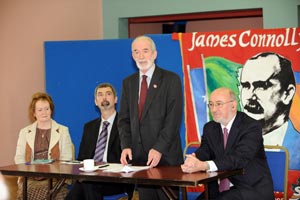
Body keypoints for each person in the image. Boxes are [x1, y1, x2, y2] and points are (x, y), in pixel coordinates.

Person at [118, 35, 184, 199]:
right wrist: (126, 145)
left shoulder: (171, 80)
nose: (141, 56)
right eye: (136, 52)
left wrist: (159, 148)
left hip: (167, 157)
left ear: (154, 54)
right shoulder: (128, 83)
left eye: (145, 51)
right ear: (132, 56)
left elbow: (173, 120)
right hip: (141, 160)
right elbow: (124, 120)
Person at [181, 87, 274, 200]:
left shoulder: (251, 126)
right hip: (218, 189)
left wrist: (204, 165)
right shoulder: (210, 127)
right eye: (211, 104)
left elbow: (239, 158)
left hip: (250, 189)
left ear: (233, 105)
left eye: (219, 104)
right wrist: (194, 158)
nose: (214, 109)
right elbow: (205, 150)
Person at [65, 83, 134, 200]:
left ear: (116, 99)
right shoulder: (89, 127)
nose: (104, 98)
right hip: (90, 179)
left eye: (108, 94)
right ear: (96, 102)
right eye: (100, 95)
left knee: (89, 184)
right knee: (74, 193)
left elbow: (130, 158)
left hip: (116, 180)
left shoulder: (127, 125)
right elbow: (81, 158)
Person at [240, 52, 300, 170]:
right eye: (246, 86)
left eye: (262, 85)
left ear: (287, 94)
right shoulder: (233, 141)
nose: (250, 96)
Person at [14, 92, 73, 200]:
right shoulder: (24, 132)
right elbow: (19, 158)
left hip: (55, 179)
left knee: (48, 193)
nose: (44, 113)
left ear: (51, 110)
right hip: (30, 179)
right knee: (27, 192)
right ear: (34, 113)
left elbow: (67, 159)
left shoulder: (63, 131)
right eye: (40, 110)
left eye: (47, 109)